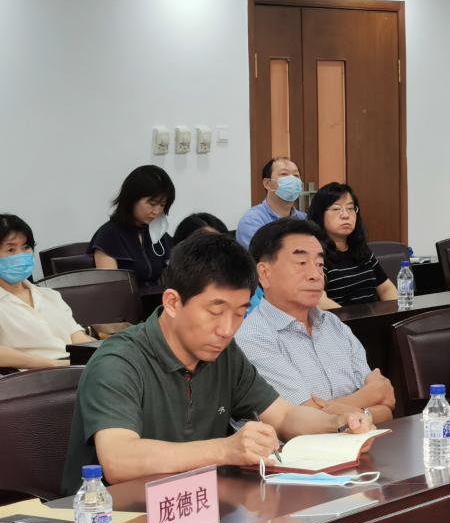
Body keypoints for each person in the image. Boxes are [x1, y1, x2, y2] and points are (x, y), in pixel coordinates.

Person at [61, 232, 371, 494]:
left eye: (239, 314)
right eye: (215, 312)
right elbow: (119, 460)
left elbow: (284, 415)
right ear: (172, 302)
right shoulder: (119, 361)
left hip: (198, 508)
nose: (227, 329)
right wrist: (225, 450)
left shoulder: (225, 354)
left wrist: (339, 424)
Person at [235, 218, 396, 423]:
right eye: (301, 263)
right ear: (264, 274)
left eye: (320, 264)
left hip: (364, 439)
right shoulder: (252, 337)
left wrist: (344, 410)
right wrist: (368, 399)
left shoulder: (334, 325)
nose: (315, 275)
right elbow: (301, 419)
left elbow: (387, 408)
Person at [0, 214, 93, 369]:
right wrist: (55, 364)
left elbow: (76, 336)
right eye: (11, 249)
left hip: (74, 371)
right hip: (31, 378)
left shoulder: (50, 295)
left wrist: (101, 354)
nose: (21, 255)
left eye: (26, 247)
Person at [307, 183, 397, 306]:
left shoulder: (361, 249)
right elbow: (319, 300)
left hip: (375, 316)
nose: (345, 215)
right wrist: (351, 319)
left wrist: (398, 311)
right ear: (320, 215)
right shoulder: (316, 255)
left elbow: (386, 288)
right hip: (339, 318)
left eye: (350, 208)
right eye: (336, 209)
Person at [89, 165, 175, 287]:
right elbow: (110, 289)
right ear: (132, 199)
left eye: (162, 205)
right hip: (123, 298)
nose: (157, 211)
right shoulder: (108, 236)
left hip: (159, 298)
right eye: (152, 204)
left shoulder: (158, 233)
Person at [236, 157, 306, 248]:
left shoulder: (304, 218)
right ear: (267, 184)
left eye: (296, 175)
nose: (292, 179)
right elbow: (263, 254)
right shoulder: (252, 220)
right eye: (284, 174)